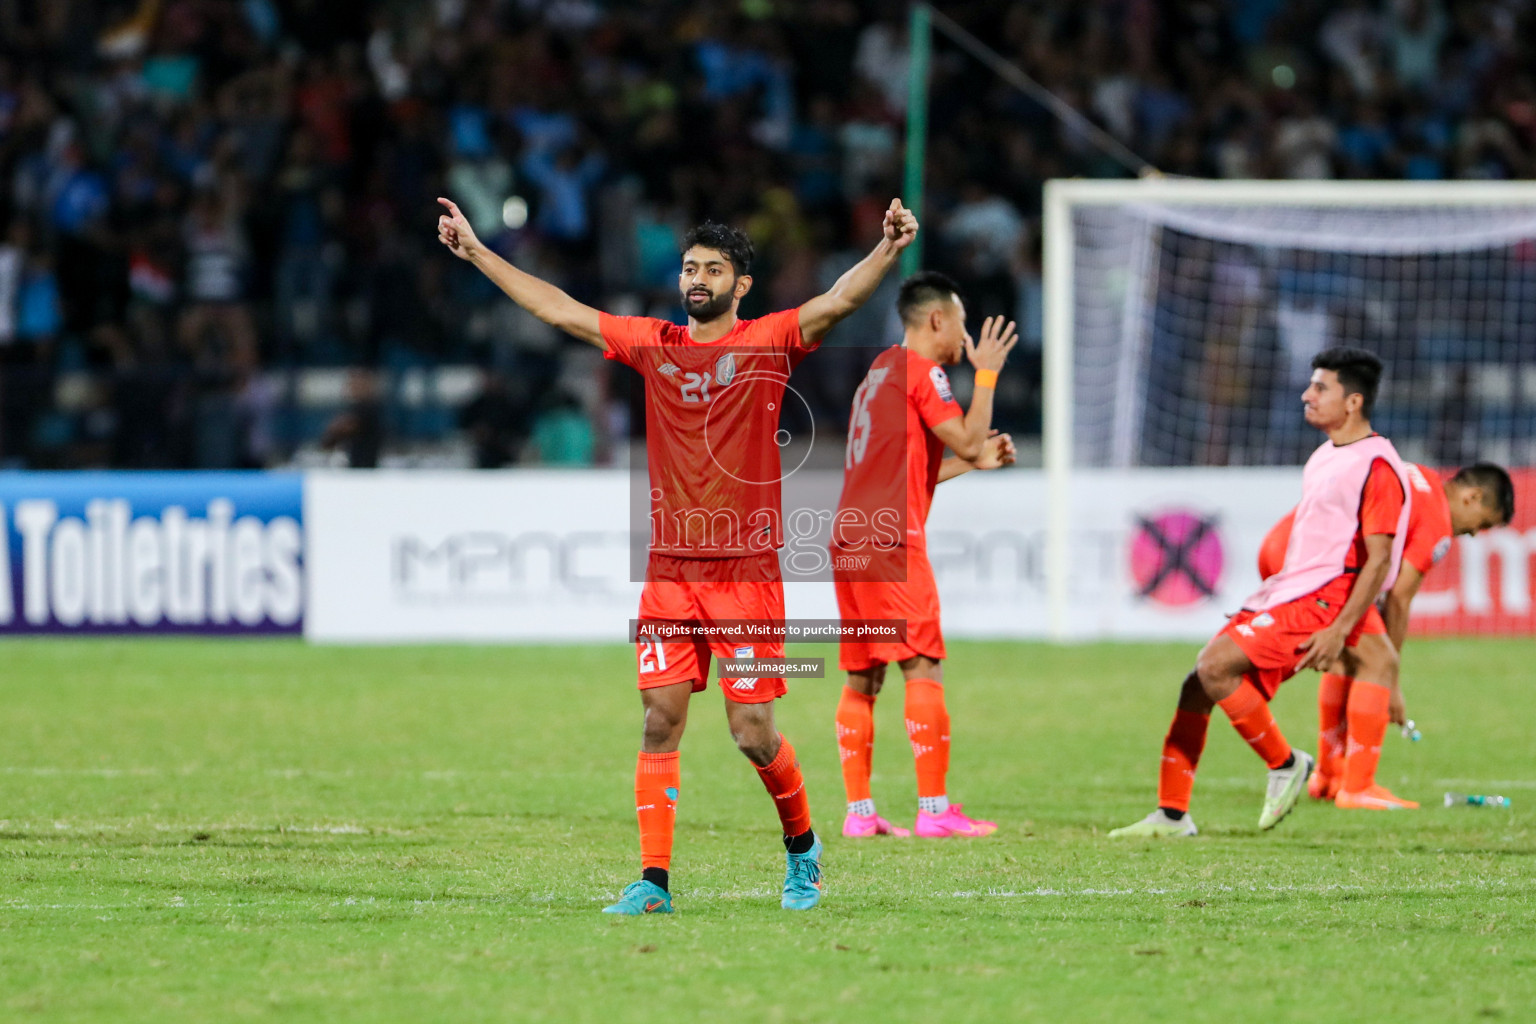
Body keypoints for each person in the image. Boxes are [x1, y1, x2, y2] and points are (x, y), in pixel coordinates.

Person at [436, 194, 919, 913]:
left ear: (740, 285)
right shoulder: (653, 342)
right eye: (690, 267)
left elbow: (836, 302)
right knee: (659, 720)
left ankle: (803, 853)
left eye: (713, 269)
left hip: (747, 576)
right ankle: (654, 883)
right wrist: (477, 251)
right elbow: (560, 310)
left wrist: (886, 250)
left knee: (752, 734)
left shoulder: (769, 340)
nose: (696, 278)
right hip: (669, 573)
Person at [1111, 347, 1409, 837]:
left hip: (1322, 601)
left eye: (1320, 388)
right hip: (1289, 593)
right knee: (1198, 683)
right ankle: (1171, 815)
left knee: (1215, 666)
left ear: (1353, 401)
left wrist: (1339, 628)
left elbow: (1378, 560)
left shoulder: (1377, 464)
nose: (1306, 395)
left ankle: (1286, 763)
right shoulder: (1324, 457)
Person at [830, 271, 1017, 839]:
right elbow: (962, 436)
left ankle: (860, 815)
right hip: (891, 540)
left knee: (863, 674)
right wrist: (985, 374)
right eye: (960, 322)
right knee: (922, 663)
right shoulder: (922, 371)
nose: (963, 335)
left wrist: (972, 462)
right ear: (937, 319)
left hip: (849, 537)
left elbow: (915, 465)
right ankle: (935, 811)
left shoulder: (880, 372)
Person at [1256, 462, 1514, 809]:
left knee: (1348, 658)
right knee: (1378, 661)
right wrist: (1391, 678)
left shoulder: (1418, 476)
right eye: (1481, 525)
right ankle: (1358, 787)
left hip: (1280, 545)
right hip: (1314, 563)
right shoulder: (1437, 519)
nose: (1472, 534)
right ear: (1473, 497)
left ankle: (1330, 777)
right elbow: (1400, 596)